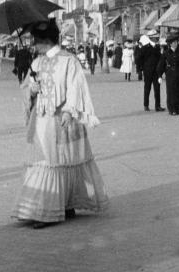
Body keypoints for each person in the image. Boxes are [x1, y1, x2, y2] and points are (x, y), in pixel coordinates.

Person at [13, 19, 108, 228]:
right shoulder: (36, 63)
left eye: (35, 41)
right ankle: (50, 205)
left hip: (62, 120)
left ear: (43, 40)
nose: (32, 45)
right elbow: (26, 87)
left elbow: (76, 88)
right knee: (46, 160)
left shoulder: (68, 61)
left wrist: (69, 111)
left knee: (60, 161)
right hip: (41, 120)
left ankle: (56, 207)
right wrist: (31, 89)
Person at [157, 34, 179, 115]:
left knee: (178, 91)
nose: (175, 44)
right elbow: (161, 65)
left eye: (176, 42)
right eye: (173, 42)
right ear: (170, 44)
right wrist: (159, 76)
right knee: (171, 92)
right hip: (170, 74)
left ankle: (177, 108)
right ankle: (171, 109)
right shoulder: (166, 53)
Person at [138, 31, 164, 112]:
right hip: (148, 72)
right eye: (156, 37)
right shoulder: (145, 48)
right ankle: (146, 105)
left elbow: (160, 59)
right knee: (147, 88)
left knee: (157, 89)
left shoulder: (157, 47)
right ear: (151, 37)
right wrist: (141, 70)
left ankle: (158, 106)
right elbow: (139, 59)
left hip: (156, 72)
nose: (157, 38)